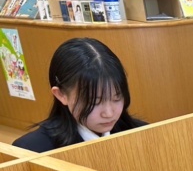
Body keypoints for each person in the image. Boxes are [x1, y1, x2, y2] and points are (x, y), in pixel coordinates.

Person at [14, 38, 147, 153]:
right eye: (94, 102)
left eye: (116, 98)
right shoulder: (31, 150)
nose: (108, 113)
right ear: (61, 94)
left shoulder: (144, 133)